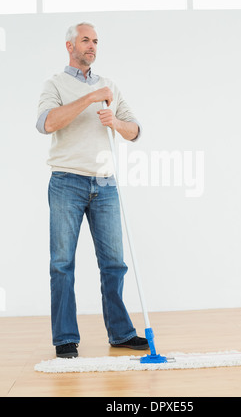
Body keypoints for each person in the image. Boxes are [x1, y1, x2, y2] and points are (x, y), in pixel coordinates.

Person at [36, 22, 148, 358]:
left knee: (114, 263)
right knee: (62, 264)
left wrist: (116, 123)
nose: (92, 46)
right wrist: (89, 98)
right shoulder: (54, 84)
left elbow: (136, 131)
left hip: (105, 184)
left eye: (96, 41)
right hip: (66, 182)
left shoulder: (110, 85)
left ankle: (121, 333)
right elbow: (46, 123)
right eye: (85, 40)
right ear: (70, 46)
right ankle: (65, 338)